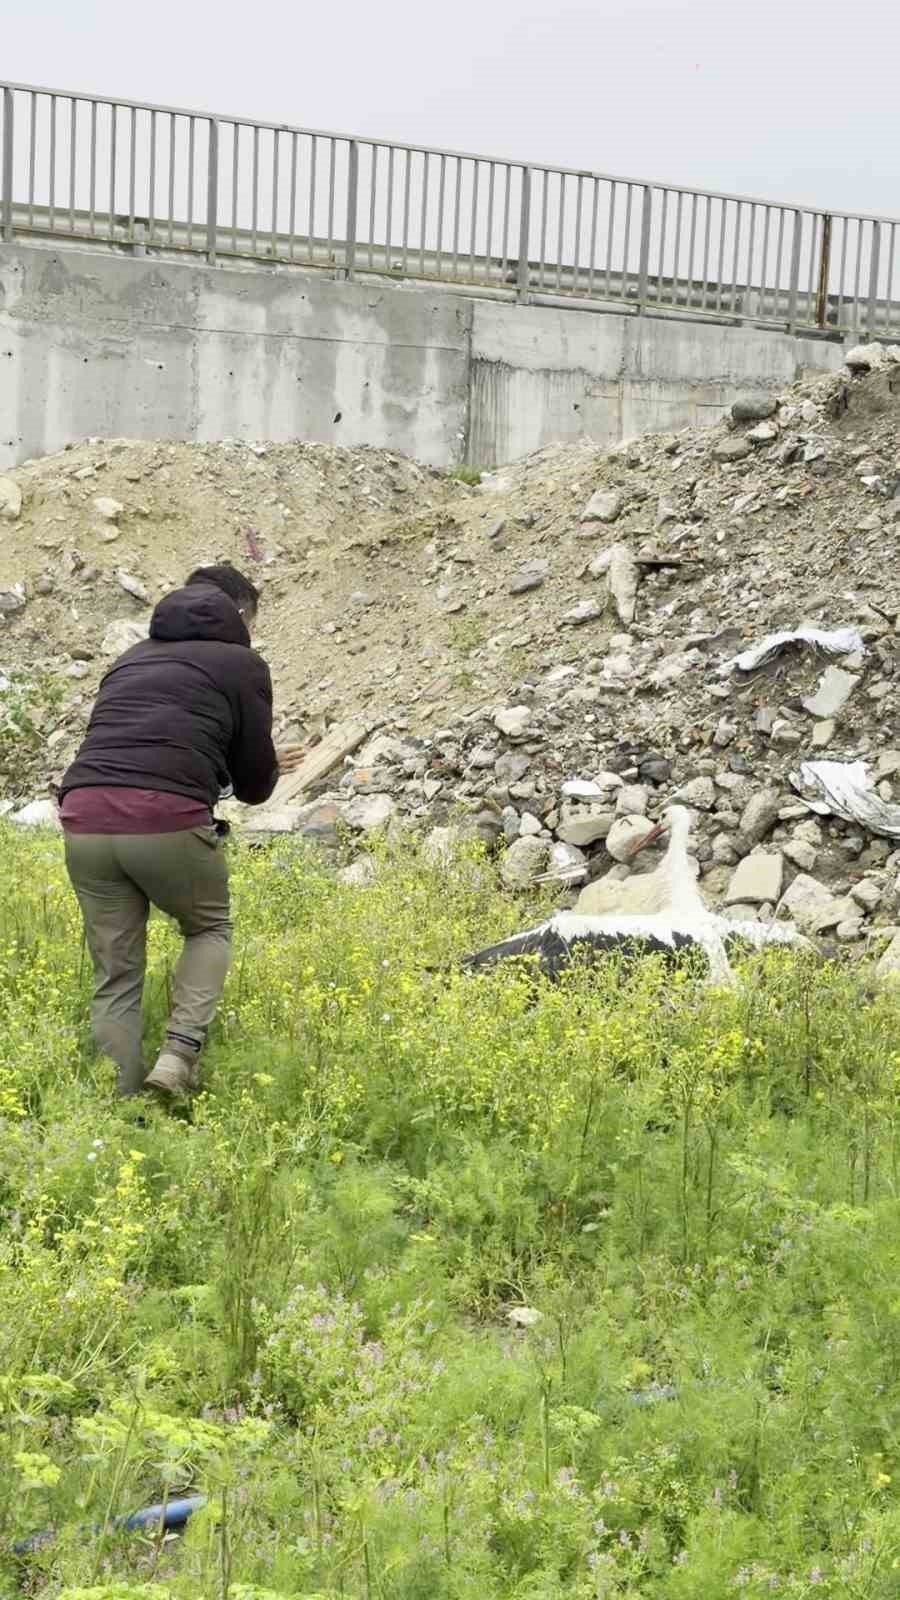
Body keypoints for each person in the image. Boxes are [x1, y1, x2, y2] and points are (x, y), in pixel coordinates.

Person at [60, 564, 301, 1099]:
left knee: (116, 972)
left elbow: (136, 745)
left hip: (83, 814)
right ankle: (177, 1059)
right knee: (208, 928)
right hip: (165, 818)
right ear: (240, 613)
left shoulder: (129, 660)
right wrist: (268, 765)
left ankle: (117, 1105)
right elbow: (255, 786)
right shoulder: (242, 664)